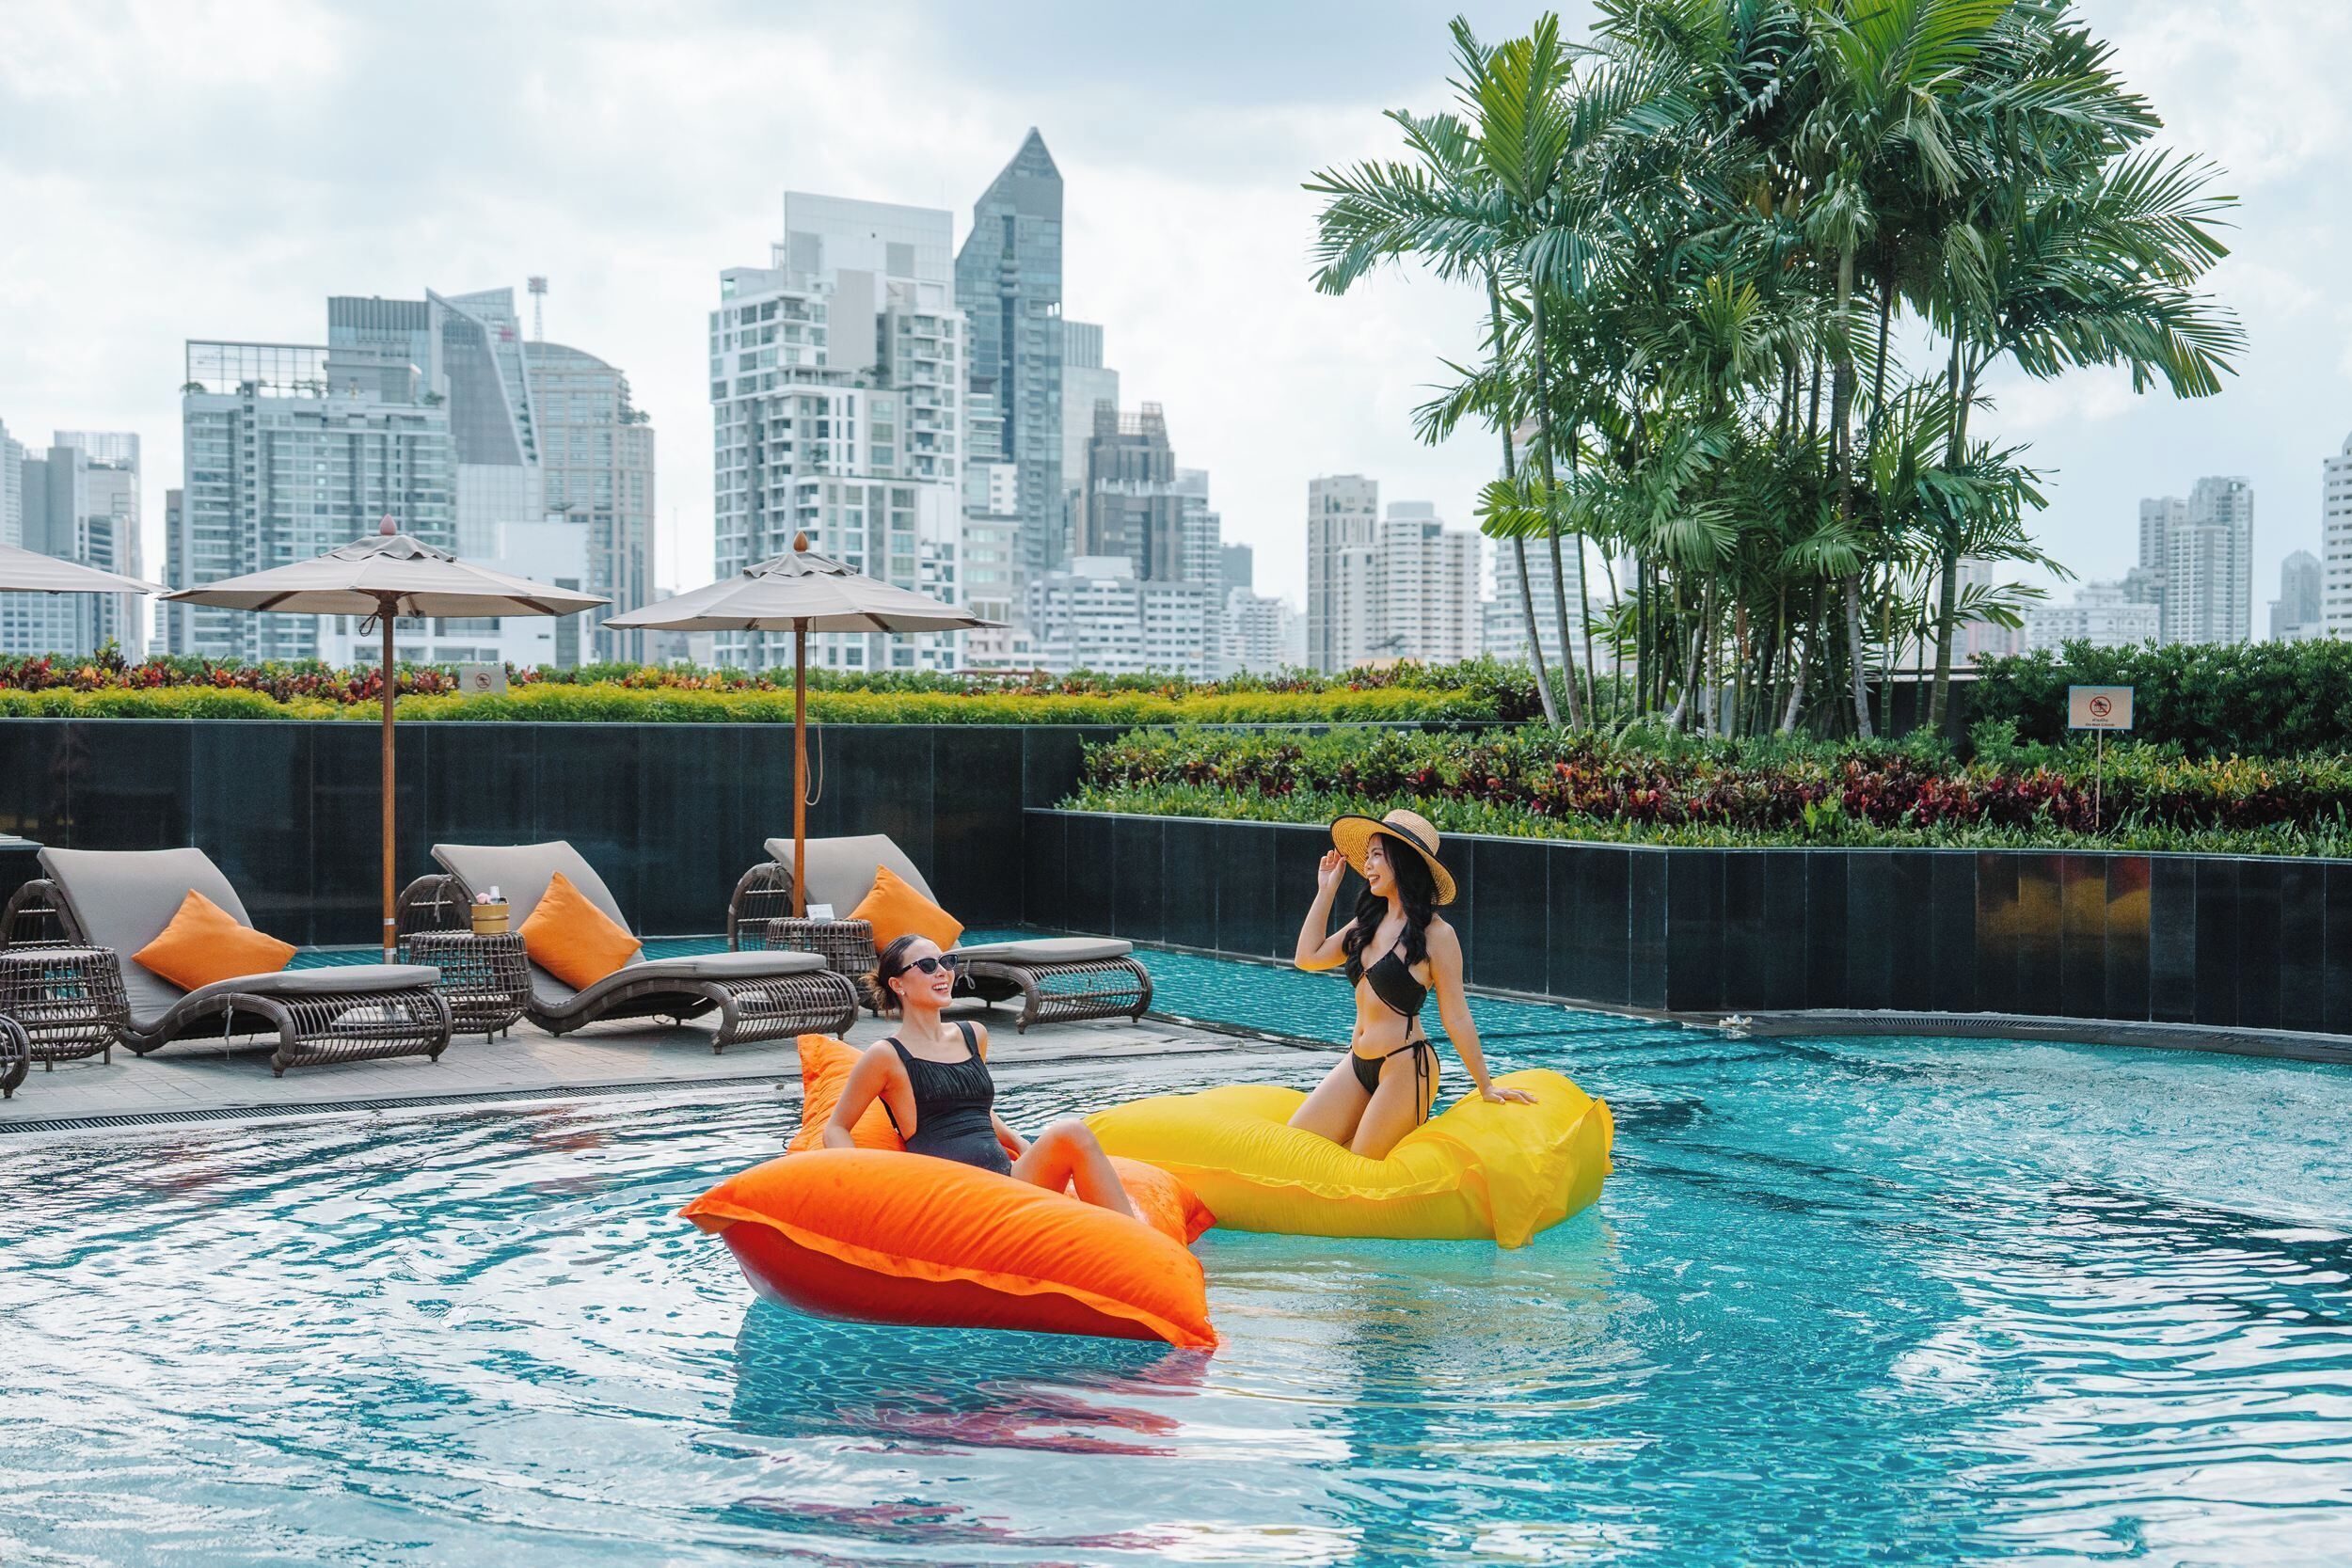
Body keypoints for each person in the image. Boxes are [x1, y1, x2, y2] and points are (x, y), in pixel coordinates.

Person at [822, 933, 1136, 1217]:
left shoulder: (973, 1034)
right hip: (954, 1195)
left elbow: (977, 1108)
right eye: (928, 965)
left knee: (1072, 1132)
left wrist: (1020, 1143)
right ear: (898, 984)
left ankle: (1137, 1245)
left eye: (947, 961)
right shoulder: (886, 1055)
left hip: (1005, 1179)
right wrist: (861, 1182)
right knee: (1070, 1130)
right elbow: (836, 1127)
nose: (942, 971)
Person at [1289, 809, 1534, 1158]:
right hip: (1357, 1064)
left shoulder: (1438, 936)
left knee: (1360, 1169)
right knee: (1294, 1146)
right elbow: (1307, 958)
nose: (1367, 864)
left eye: (1376, 855)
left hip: (1405, 1067)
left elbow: (1457, 1017)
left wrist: (1486, 1085)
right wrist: (1325, 891)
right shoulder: (1367, 921)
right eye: (1368, 855)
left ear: (1402, 862)